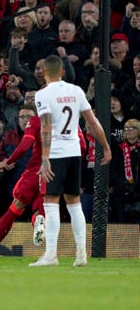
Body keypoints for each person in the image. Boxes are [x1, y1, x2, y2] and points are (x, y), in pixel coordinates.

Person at [30, 54, 111, 267]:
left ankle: (50, 255)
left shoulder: (43, 94)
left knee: (51, 202)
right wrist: (106, 146)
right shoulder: (76, 91)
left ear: (45, 73)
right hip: (75, 152)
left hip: (55, 153)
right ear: (63, 72)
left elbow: (46, 126)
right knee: (74, 203)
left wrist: (45, 158)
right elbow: (92, 122)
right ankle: (81, 255)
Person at [0, 105, 47, 258]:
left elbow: (24, 147)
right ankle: (39, 221)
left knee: (14, 210)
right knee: (40, 210)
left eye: (28, 117)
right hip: (50, 173)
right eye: (22, 117)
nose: (25, 120)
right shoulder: (60, 122)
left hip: (33, 174)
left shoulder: (36, 122)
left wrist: (9, 160)